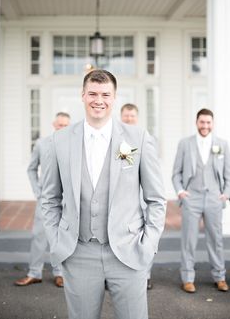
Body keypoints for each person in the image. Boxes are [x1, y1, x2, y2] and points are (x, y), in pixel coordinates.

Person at [41, 69, 166, 319]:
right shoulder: (59, 140)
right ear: (83, 95)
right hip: (78, 252)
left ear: (115, 97)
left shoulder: (138, 138)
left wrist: (148, 244)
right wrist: (57, 240)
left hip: (129, 252)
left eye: (106, 94)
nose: (99, 100)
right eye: (93, 94)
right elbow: (49, 198)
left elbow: (156, 199)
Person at [172, 108, 230, 293]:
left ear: (212, 124)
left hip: (214, 197)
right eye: (202, 122)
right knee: (189, 240)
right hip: (192, 197)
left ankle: (220, 276)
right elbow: (176, 173)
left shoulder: (223, 144)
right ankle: (188, 278)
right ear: (196, 122)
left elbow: (228, 174)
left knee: (216, 239)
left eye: (208, 122)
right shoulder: (185, 143)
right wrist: (181, 191)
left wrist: (226, 193)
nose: (205, 126)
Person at [14, 112, 71, 287]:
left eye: (65, 125)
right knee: (39, 235)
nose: (62, 127)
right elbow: (31, 169)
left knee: (62, 237)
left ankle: (60, 273)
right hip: (45, 198)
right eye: (59, 124)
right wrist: (37, 191)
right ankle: (34, 273)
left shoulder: (74, 144)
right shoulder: (41, 143)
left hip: (67, 200)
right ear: (54, 124)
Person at [121, 103, 153, 290]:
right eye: (126, 116)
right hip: (124, 198)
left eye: (132, 116)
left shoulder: (145, 137)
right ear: (121, 116)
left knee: (144, 237)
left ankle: (146, 275)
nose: (129, 119)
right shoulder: (115, 138)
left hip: (142, 195)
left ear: (137, 117)